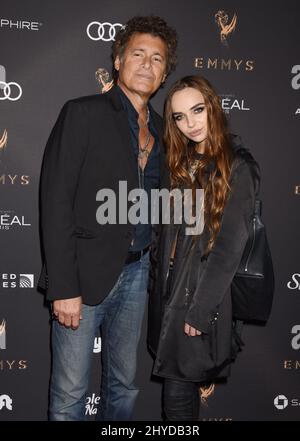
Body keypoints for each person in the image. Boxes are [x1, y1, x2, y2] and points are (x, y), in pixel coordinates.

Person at [38, 15, 178, 421]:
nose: (147, 64)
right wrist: (64, 286)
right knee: (69, 395)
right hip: (80, 278)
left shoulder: (162, 130)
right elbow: (56, 199)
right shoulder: (82, 113)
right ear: (118, 60)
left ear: (165, 72)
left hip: (137, 278)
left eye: (157, 58)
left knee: (124, 386)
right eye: (138, 54)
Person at [147, 75, 260, 421]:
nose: (190, 123)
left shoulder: (237, 165)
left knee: (177, 392)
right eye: (179, 117)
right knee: (179, 388)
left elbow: (229, 247)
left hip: (199, 296)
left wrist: (200, 309)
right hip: (169, 292)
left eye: (197, 110)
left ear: (213, 106)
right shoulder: (178, 162)